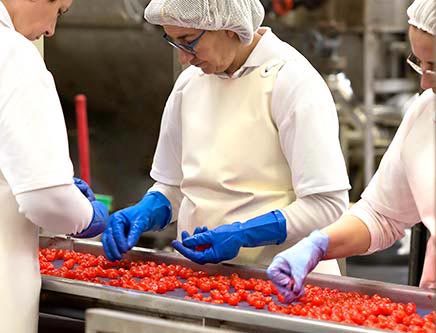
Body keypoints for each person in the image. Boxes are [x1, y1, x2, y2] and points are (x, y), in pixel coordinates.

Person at [101, 0, 350, 272]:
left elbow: (327, 204)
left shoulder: (291, 82)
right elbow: (173, 186)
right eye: (173, 42)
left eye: (187, 40)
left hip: (282, 280)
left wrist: (248, 233)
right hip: (203, 279)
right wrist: (147, 210)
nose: (184, 57)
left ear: (230, 27)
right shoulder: (189, 84)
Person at [0, 0, 108, 332]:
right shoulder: (8, 53)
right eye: (59, 11)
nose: (50, 29)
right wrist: (86, 216)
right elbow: (44, 198)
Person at [266, 0, 436, 304]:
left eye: (434, 67)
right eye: (418, 64)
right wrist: (319, 244)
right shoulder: (425, 113)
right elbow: (382, 214)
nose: (424, 82)